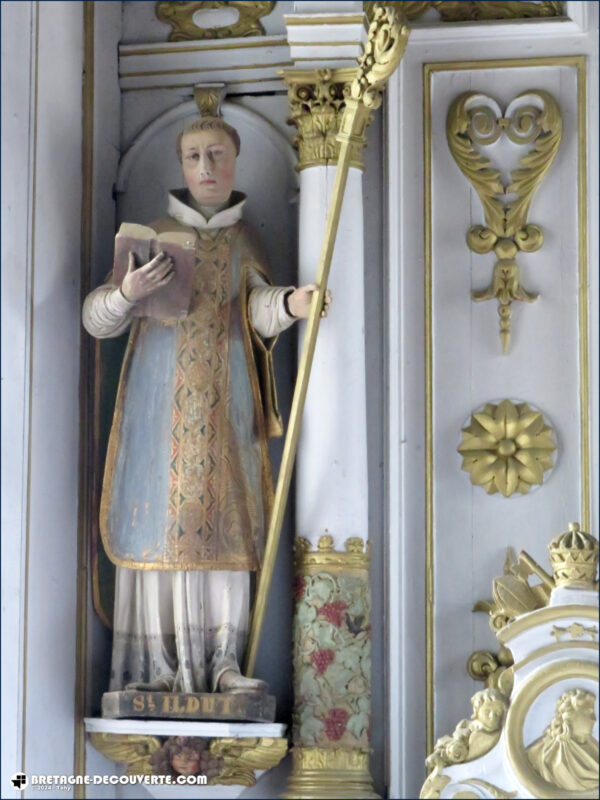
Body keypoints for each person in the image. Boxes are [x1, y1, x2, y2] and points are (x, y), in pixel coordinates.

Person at [83, 115, 331, 695]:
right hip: (157, 413)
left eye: (216, 154)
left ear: (235, 161)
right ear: (180, 165)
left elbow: (254, 310)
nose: (206, 168)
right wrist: (127, 293)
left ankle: (222, 662)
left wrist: (291, 303)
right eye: (194, 156)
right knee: (157, 526)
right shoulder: (153, 233)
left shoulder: (246, 241)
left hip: (224, 411)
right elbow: (96, 319)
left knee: (227, 526)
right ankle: (154, 669)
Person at [526, 689, 598, 791]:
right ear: (570, 715)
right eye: (588, 712)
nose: (594, 719)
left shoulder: (595, 748)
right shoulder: (542, 754)